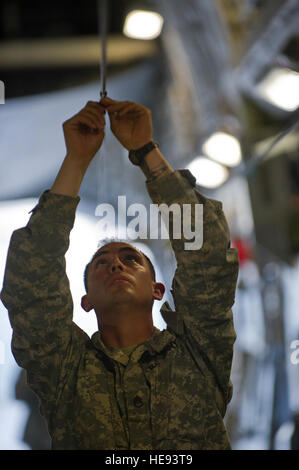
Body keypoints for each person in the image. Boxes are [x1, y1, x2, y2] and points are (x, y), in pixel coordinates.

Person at [1, 97, 239, 450]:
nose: (115, 264)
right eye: (101, 263)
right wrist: (76, 160)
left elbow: (207, 255)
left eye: (131, 260)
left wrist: (146, 150)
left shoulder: (200, 350)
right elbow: (31, 285)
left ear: (158, 289)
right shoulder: (64, 370)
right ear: (85, 301)